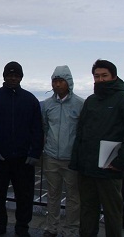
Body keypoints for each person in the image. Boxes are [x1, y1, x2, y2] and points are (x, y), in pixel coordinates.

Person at [69, 59, 124, 237]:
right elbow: (80, 133)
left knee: (112, 212)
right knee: (87, 210)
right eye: (97, 76)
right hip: (87, 168)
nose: (100, 80)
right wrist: (77, 161)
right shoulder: (91, 101)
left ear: (114, 76)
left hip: (110, 168)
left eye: (104, 75)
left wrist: (121, 160)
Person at [0, 61, 44, 237]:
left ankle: (22, 227)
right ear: (4, 76)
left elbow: (37, 129)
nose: (12, 78)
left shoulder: (30, 100)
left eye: (16, 75)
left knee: (24, 197)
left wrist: (34, 153)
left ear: (21, 77)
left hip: (24, 159)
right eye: (9, 75)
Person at [42, 65, 84, 237]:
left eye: (60, 81)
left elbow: (83, 131)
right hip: (51, 156)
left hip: (71, 158)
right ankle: (51, 228)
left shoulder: (80, 104)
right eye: (54, 81)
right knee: (52, 195)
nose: (57, 85)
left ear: (69, 82)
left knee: (74, 197)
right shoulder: (47, 105)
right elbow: (45, 127)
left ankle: (71, 230)